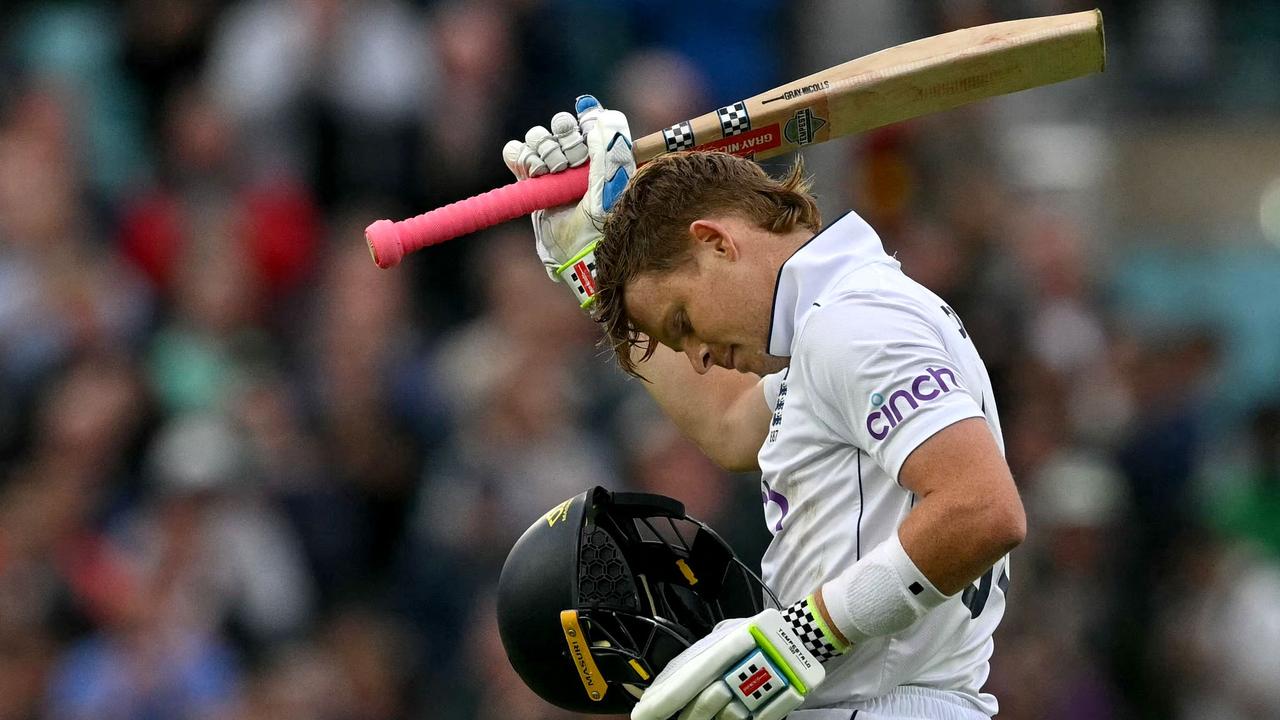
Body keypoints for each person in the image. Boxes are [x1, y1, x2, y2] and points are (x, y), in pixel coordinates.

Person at [501, 96, 1025, 720]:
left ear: (716, 243)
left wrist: (802, 636)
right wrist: (590, 265)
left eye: (682, 322)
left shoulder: (855, 324)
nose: (695, 358)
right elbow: (728, 424)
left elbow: (983, 511)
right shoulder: (835, 330)